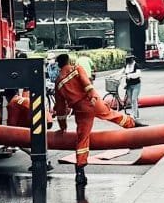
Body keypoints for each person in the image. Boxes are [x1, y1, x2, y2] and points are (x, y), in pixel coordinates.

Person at [52, 53, 139, 185]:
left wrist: (62, 126)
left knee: (82, 137)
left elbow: (60, 107)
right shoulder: (76, 68)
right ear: (68, 60)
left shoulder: (58, 81)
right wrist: (93, 95)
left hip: (80, 109)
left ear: (58, 64)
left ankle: (80, 170)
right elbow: (86, 83)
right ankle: (134, 125)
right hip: (91, 101)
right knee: (112, 115)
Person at [122, 54, 142, 119]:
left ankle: (135, 115)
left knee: (134, 99)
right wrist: (112, 75)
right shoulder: (126, 66)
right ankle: (136, 113)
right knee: (131, 100)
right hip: (128, 85)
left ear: (132, 59)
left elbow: (138, 74)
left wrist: (130, 75)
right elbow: (121, 72)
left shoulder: (136, 65)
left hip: (136, 85)